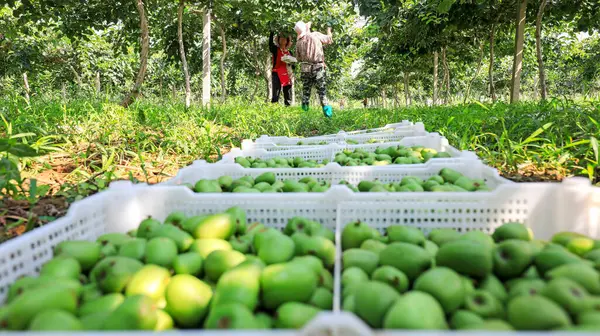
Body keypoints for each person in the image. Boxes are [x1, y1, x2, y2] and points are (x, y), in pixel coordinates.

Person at [294, 21, 333, 118]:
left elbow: (298, 58)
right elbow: (329, 39)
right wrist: (329, 30)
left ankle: (305, 115)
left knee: (306, 92)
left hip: (305, 69)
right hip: (317, 68)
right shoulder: (315, 35)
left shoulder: (298, 42)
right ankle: (328, 115)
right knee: (322, 92)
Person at [269, 32, 294, 106]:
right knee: (276, 92)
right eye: (281, 38)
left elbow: (292, 65)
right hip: (276, 73)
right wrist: (271, 33)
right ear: (278, 40)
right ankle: (274, 107)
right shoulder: (275, 49)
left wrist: (290, 61)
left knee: (287, 92)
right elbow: (270, 44)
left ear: (287, 41)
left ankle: (288, 107)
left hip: (287, 74)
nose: (283, 40)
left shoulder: (289, 52)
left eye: (285, 38)